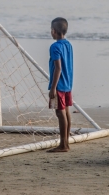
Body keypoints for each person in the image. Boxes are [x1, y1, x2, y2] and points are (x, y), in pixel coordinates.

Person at [47, 17, 74, 153]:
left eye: (51, 30)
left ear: (54, 31)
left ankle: (63, 145)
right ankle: (66, 142)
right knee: (66, 112)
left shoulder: (55, 47)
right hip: (68, 84)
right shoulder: (68, 44)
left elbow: (58, 68)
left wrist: (52, 88)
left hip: (59, 85)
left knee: (60, 113)